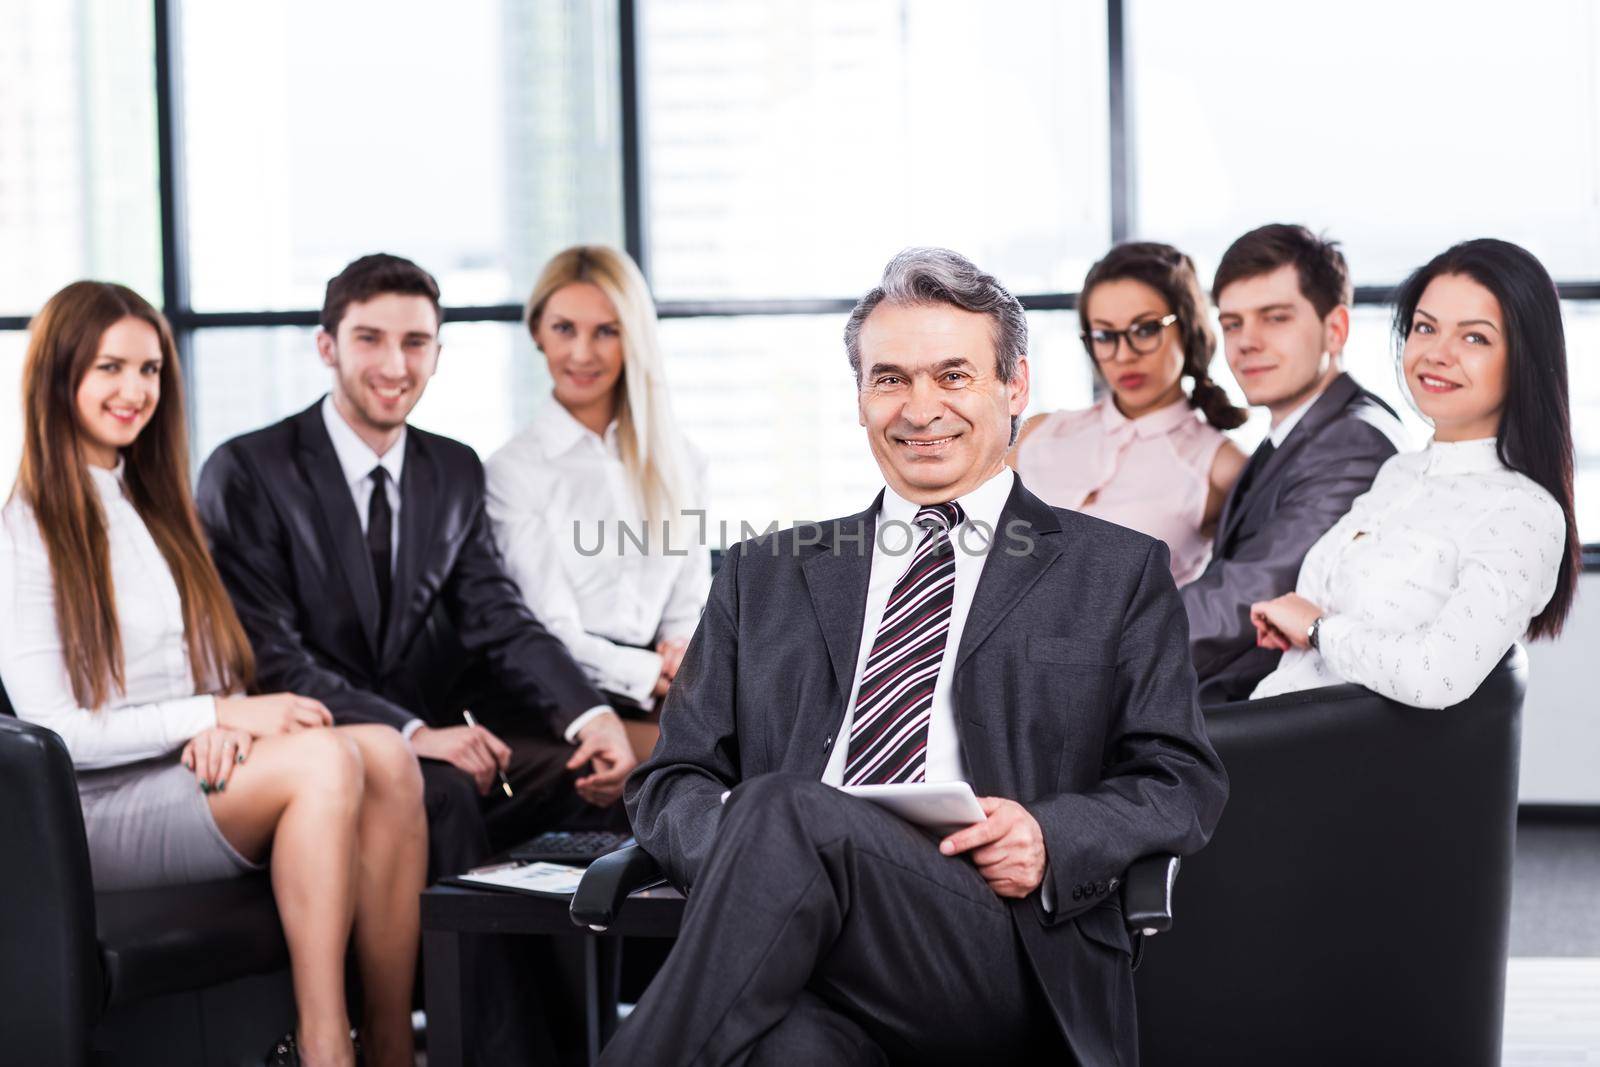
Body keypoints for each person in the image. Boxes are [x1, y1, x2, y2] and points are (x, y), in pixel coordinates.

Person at [601, 249, 1229, 1066]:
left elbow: (1180, 779)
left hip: (994, 943)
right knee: (788, 1048)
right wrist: (751, 856)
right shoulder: (766, 572)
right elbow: (670, 778)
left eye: (953, 376)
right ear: (860, 398)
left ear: (1014, 388)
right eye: (890, 378)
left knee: (787, 810)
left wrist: (1048, 833)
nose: (919, 407)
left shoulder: (1112, 571)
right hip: (796, 944)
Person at [0, 282, 424, 1067]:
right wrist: (208, 716)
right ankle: (328, 1044)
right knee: (325, 761)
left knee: (392, 759)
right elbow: (57, 733)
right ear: (59, 376)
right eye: (110, 368)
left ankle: (394, 1043)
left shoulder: (156, 505)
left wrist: (221, 721)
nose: (136, 391)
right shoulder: (23, 529)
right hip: (92, 811)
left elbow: (212, 670)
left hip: (184, 770)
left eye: (151, 370)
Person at [196, 253, 636, 875]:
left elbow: (498, 616)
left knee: (599, 782)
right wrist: (411, 733)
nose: (395, 366)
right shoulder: (249, 470)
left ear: (437, 353)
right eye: (369, 340)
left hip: (432, 730)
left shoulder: (451, 470)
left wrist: (592, 717)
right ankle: (461, 979)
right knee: (448, 794)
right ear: (327, 347)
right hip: (318, 738)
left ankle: (601, 978)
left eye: (415, 343)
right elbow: (270, 656)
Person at [1249, 239, 1579, 707]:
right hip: (1273, 722)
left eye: (1475, 337)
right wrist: (1305, 627)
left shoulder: (1524, 511)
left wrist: (1319, 629)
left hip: (1334, 759)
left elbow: (1437, 676)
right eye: (1425, 328)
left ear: (1524, 359)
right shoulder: (1399, 472)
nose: (1437, 353)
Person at [485, 246, 710, 762]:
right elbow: (547, 629)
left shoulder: (684, 461)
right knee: (715, 772)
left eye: (607, 331)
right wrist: (653, 675)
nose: (583, 353)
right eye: (565, 329)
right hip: (566, 692)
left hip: (665, 685)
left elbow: (688, 601)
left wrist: (679, 652)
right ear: (537, 332)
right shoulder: (514, 470)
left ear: (634, 338)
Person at [1181, 223, 1409, 704]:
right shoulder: (1291, 436)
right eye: (1233, 323)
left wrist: (1101, 645)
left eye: (1276, 318)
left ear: (1336, 329)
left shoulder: (1353, 443)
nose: (1246, 342)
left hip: (1267, 721)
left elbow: (1248, 596)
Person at [1010, 241, 1248, 583]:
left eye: (1145, 329)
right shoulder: (1035, 434)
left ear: (1188, 326)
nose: (1124, 355)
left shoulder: (1221, 468)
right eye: (1105, 335)